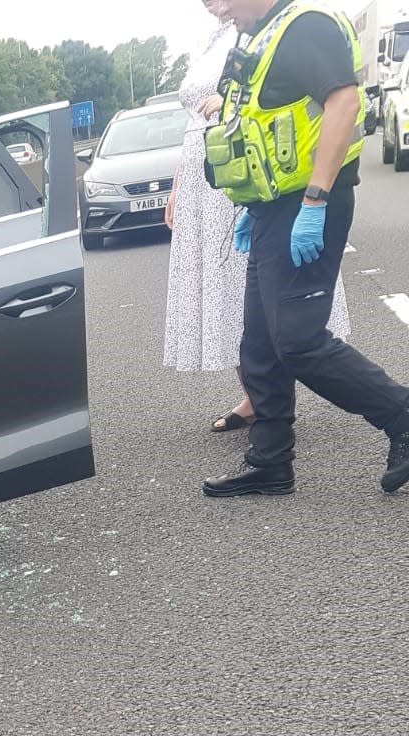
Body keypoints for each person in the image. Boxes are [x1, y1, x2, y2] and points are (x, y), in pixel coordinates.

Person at [202, 0, 409, 496]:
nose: (213, 8)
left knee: (297, 339)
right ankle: (271, 460)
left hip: (311, 203)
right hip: (275, 208)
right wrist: (256, 207)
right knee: (260, 340)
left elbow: (343, 102)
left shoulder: (306, 26)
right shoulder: (263, 35)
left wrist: (315, 200)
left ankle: (402, 415)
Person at [165, 0, 348, 431]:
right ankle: (260, 409)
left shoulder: (275, 28)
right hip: (207, 171)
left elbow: (296, 101)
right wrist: (179, 182)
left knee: (265, 298)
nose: (212, 7)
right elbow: (193, 122)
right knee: (235, 298)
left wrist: (315, 197)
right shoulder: (212, 37)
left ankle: (271, 414)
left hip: (251, 170)